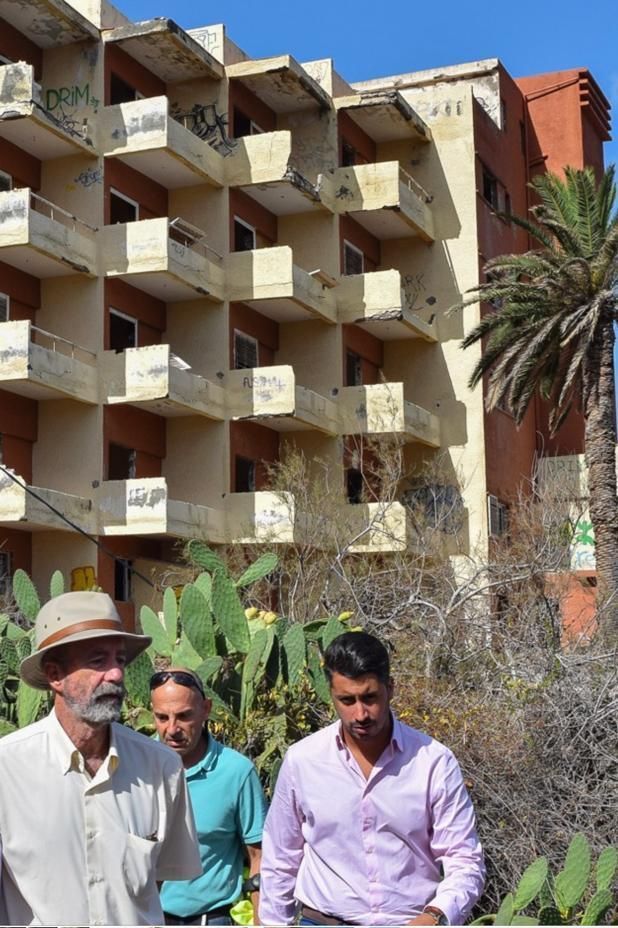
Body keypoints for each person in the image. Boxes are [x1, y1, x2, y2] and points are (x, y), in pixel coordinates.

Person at [0, 591, 201, 926]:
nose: (116, 674)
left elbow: (157, 881)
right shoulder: (8, 769)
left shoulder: (161, 768)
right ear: (55, 676)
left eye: (119, 660)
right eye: (97, 661)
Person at [259, 631, 485, 927]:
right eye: (347, 700)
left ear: (390, 689)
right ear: (331, 695)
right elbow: (280, 858)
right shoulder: (303, 760)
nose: (360, 713)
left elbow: (464, 859)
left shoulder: (433, 762)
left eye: (369, 697)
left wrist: (436, 915)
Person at [151, 668, 268, 926]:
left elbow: (259, 856)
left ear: (205, 709)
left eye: (184, 716)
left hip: (212, 919)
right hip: (147, 918)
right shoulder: (135, 766)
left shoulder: (236, 772)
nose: (172, 729)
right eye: (162, 717)